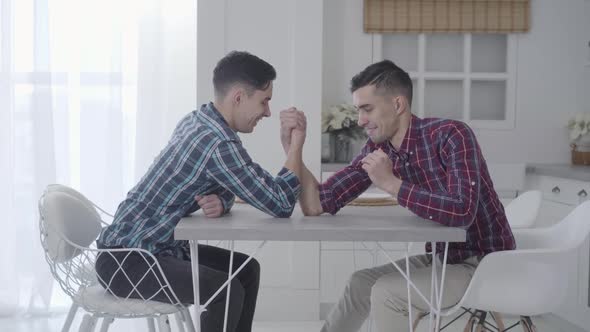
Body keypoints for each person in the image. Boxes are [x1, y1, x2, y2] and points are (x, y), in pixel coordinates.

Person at [280, 60, 515, 332]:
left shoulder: (452, 135)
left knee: (386, 292)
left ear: (398, 105)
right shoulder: (378, 148)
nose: (360, 120)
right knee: (360, 283)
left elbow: (462, 211)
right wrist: (293, 149)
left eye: (367, 109)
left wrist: (392, 184)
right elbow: (316, 203)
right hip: (444, 258)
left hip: (485, 265)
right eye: (358, 110)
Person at [95, 51, 307, 332]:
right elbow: (280, 203)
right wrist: (294, 145)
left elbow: (228, 184)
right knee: (227, 290)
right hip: (129, 261)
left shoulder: (198, 120)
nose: (268, 112)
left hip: (151, 250)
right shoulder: (217, 143)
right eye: (264, 101)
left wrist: (221, 200)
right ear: (239, 97)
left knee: (246, 271)